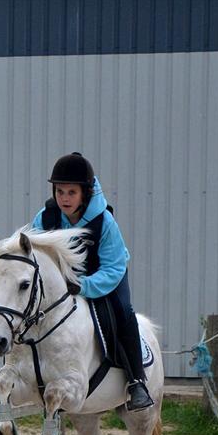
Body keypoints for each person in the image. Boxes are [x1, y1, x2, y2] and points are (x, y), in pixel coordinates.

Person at [31, 152, 154, 411]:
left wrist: (84, 286)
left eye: (71, 192)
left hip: (105, 276)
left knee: (122, 311)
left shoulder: (104, 222)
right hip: (65, 283)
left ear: (85, 194)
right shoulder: (46, 218)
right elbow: (34, 256)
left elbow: (114, 267)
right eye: (60, 191)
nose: (64, 198)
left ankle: (137, 382)